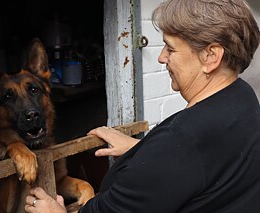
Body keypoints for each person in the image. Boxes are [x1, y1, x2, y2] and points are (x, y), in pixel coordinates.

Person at [24, 0, 260, 212]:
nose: (161, 57)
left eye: (170, 48)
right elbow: (205, 158)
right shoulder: (243, 97)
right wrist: (142, 148)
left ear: (211, 56)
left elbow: (183, 150)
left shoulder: (179, 143)